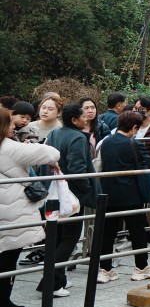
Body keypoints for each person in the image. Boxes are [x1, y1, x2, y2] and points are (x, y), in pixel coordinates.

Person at [0, 107, 60, 307]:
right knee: (9, 256)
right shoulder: (9, 147)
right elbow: (51, 153)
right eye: (9, 122)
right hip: (11, 210)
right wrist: (30, 146)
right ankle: (3, 302)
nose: (13, 126)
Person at [40, 103, 101, 296]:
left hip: (55, 192)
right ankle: (51, 283)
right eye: (83, 116)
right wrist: (86, 189)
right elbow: (77, 169)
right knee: (69, 238)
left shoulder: (55, 134)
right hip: (71, 195)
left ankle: (57, 279)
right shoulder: (77, 137)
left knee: (57, 237)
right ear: (74, 120)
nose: (87, 118)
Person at [96, 111, 150, 283]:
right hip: (131, 194)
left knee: (108, 233)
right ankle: (141, 267)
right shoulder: (133, 143)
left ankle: (105, 269)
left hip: (108, 193)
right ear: (134, 127)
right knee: (137, 231)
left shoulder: (106, 142)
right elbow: (147, 163)